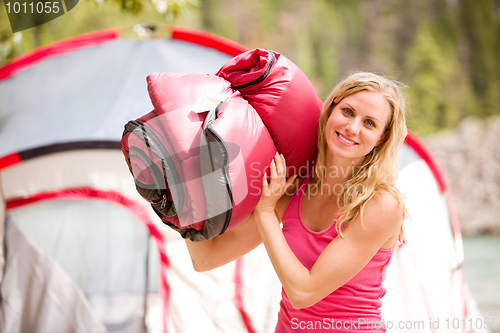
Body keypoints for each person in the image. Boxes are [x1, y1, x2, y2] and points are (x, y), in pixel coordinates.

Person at [185, 72, 409, 332]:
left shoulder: (381, 205)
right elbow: (207, 258)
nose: (352, 127)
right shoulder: (293, 188)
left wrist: (266, 211)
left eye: (369, 123)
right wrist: (184, 188)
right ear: (331, 107)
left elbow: (303, 292)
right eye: (348, 111)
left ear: (381, 137)